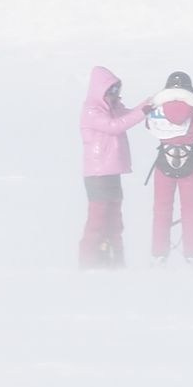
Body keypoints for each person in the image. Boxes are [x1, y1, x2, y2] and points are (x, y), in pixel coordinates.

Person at [144, 70, 193, 263]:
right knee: (191, 209)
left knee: (161, 209)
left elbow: (147, 125)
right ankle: (192, 253)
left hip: (163, 161)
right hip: (190, 162)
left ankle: (159, 253)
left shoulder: (158, 106)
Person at [78, 66, 149, 269]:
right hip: (97, 174)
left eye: (116, 90)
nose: (114, 95)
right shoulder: (91, 111)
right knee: (97, 221)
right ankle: (88, 262)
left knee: (115, 221)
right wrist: (143, 112)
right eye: (111, 91)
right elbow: (115, 126)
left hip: (112, 171)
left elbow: (130, 114)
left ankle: (117, 262)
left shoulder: (114, 108)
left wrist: (149, 103)